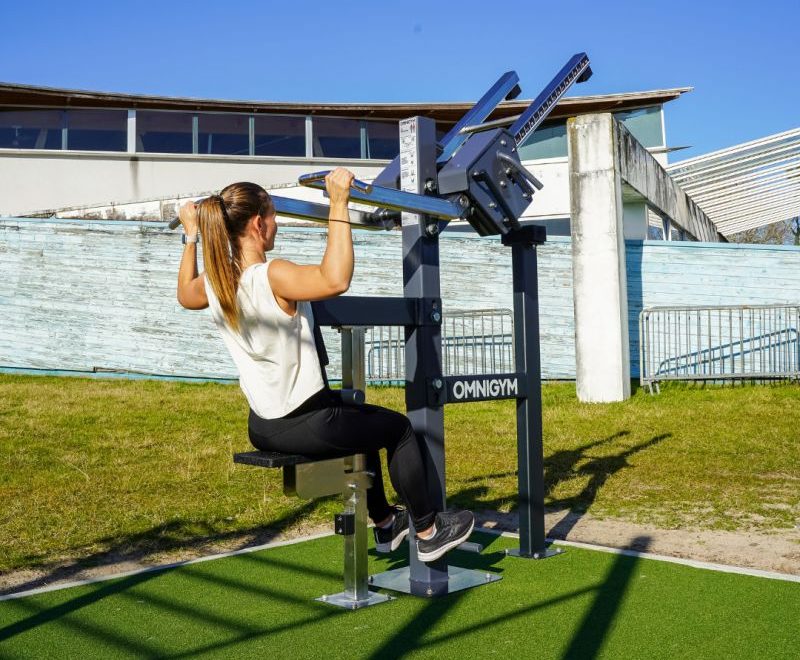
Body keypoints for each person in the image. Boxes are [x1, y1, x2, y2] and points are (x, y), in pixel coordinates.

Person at [175, 168, 473, 562]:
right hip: (307, 422)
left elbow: (184, 294)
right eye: (273, 216)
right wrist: (338, 202)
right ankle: (428, 530)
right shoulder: (273, 275)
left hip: (262, 426)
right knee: (398, 430)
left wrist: (192, 234)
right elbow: (335, 280)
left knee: (357, 419)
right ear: (258, 223)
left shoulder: (216, 283)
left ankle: (386, 525)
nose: (277, 223)